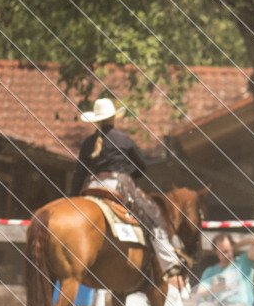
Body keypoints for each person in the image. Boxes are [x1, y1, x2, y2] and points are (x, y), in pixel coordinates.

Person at [70, 97, 182, 277]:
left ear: (96, 120)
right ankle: (169, 261)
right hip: (118, 185)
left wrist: (73, 197)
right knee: (153, 214)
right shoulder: (124, 140)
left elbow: (79, 174)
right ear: (113, 118)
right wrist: (130, 175)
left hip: (92, 185)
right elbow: (142, 166)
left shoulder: (88, 143)